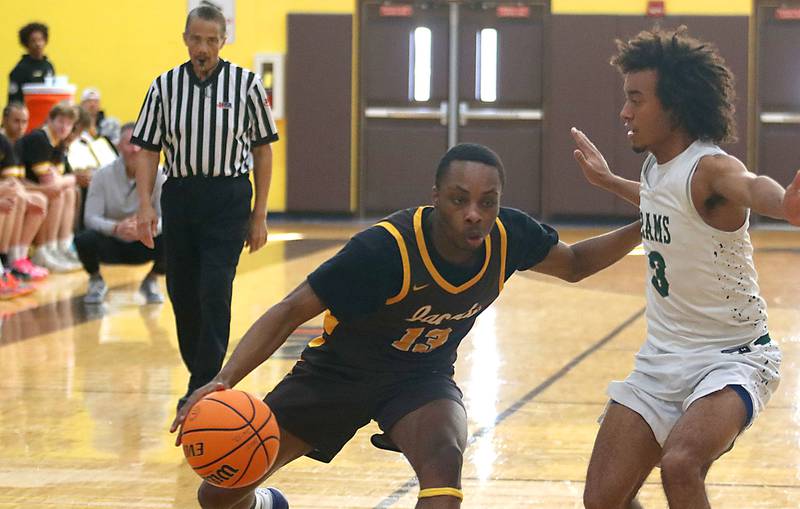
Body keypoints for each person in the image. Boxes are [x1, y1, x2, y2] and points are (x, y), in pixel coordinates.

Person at [171, 143, 643, 509]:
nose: (474, 213)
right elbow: (289, 310)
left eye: (488, 201)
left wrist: (648, 224)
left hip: (420, 381)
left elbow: (577, 263)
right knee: (216, 496)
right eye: (460, 200)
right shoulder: (384, 250)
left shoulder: (509, 237)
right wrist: (223, 380)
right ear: (436, 197)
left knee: (445, 463)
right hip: (336, 376)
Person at [571, 27, 800, 509]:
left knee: (680, 464)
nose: (624, 112)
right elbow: (663, 202)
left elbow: (752, 186)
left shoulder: (711, 168)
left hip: (732, 357)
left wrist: (785, 206)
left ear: (674, 106)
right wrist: (609, 180)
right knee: (602, 500)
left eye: (636, 99)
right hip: (661, 359)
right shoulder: (657, 167)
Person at [132, 5, 277, 409]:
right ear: (185, 39)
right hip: (179, 195)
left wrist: (259, 214)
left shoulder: (246, 85)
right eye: (196, 39)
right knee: (182, 291)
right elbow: (146, 149)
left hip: (228, 197)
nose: (203, 48)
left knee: (215, 289)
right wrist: (144, 205)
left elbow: (263, 151)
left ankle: (202, 387)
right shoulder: (163, 86)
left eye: (211, 40)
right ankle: (202, 374)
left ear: (223, 41)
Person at [76, 123, 166, 304]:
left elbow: (167, 217)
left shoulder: (159, 175)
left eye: (139, 144)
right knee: (83, 239)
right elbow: (90, 218)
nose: (134, 149)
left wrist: (145, 228)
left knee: (178, 238)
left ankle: (151, 280)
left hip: (146, 240)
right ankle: (96, 280)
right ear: (118, 146)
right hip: (112, 241)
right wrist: (116, 228)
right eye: (129, 144)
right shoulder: (102, 175)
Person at [15, 101, 81, 273]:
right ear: (49, 120)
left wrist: (67, 180)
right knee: (56, 193)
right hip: (25, 186)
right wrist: (70, 179)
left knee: (69, 192)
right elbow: (50, 183)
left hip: (33, 187)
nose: (64, 127)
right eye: (60, 121)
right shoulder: (39, 139)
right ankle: (43, 251)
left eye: (68, 124)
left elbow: (61, 179)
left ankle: (59, 247)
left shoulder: (59, 143)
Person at [0, 102, 48, 281]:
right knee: (14, 198)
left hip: (9, 190)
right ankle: (6, 260)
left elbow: (16, 180)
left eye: (24, 121)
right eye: (16, 121)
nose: (20, 126)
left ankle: (18, 256)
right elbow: (9, 183)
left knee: (39, 199)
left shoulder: (18, 144)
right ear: (4, 120)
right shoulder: (3, 141)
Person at [8, 22, 56, 105]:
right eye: (33, 41)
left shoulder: (48, 66)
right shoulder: (20, 69)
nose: (38, 44)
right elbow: (13, 100)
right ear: (27, 44)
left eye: (40, 40)